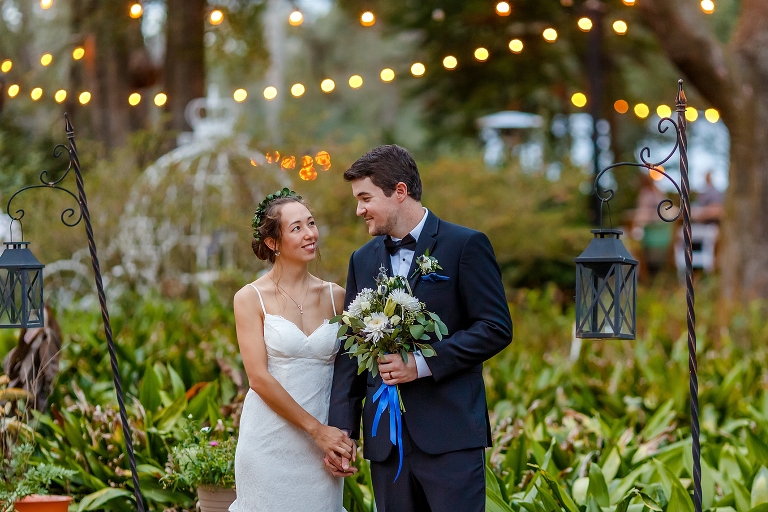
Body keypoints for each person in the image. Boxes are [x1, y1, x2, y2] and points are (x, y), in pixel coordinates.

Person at [326, 145, 513, 512]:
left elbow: (495, 327)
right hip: (385, 445)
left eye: (365, 198)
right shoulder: (361, 259)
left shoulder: (465, 245)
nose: (359, 209)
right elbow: (351, 351)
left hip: (450, 438)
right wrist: (342, 432)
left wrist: (420, 364)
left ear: (399, 191)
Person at [230, 190, 353, 511]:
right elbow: (257, 378)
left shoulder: (337, 297)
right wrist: (318, 431)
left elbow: (349, 376)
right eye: (296, 228)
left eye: (311, 224)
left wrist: (344, 438)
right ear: (273, 243)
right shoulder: (249, 298)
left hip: (322, 450)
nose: (310, 233)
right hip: (269, 444)